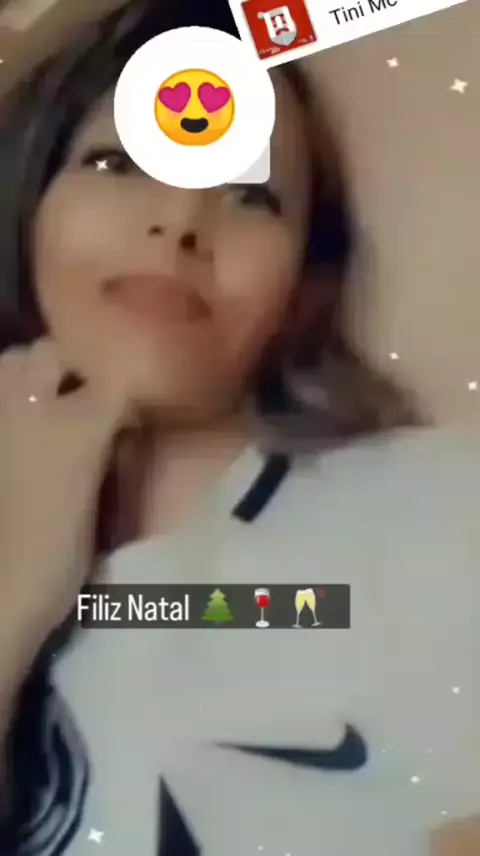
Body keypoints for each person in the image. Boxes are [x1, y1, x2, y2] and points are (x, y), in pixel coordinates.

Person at [0, 0, 478, 854]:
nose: (182, 221)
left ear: (303, 283)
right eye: (119, 162)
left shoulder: (428, 511)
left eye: (250, 196)